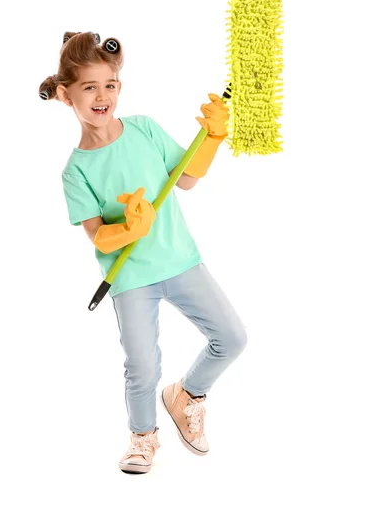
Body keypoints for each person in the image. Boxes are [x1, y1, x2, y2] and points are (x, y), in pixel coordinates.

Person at [39, 31, 247, 474]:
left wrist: (211, 137)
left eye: (109, 85)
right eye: (89, 87)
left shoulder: (145, 129)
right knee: (142, 366)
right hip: (131, 277)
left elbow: (187, 178)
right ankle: (143, 438)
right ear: (64, 94)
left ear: (119, 86)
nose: (101, 96)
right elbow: (98, 236)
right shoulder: (76, 171)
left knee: (232, 337)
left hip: (181, 259)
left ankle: (187, 395)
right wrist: (127, 229)